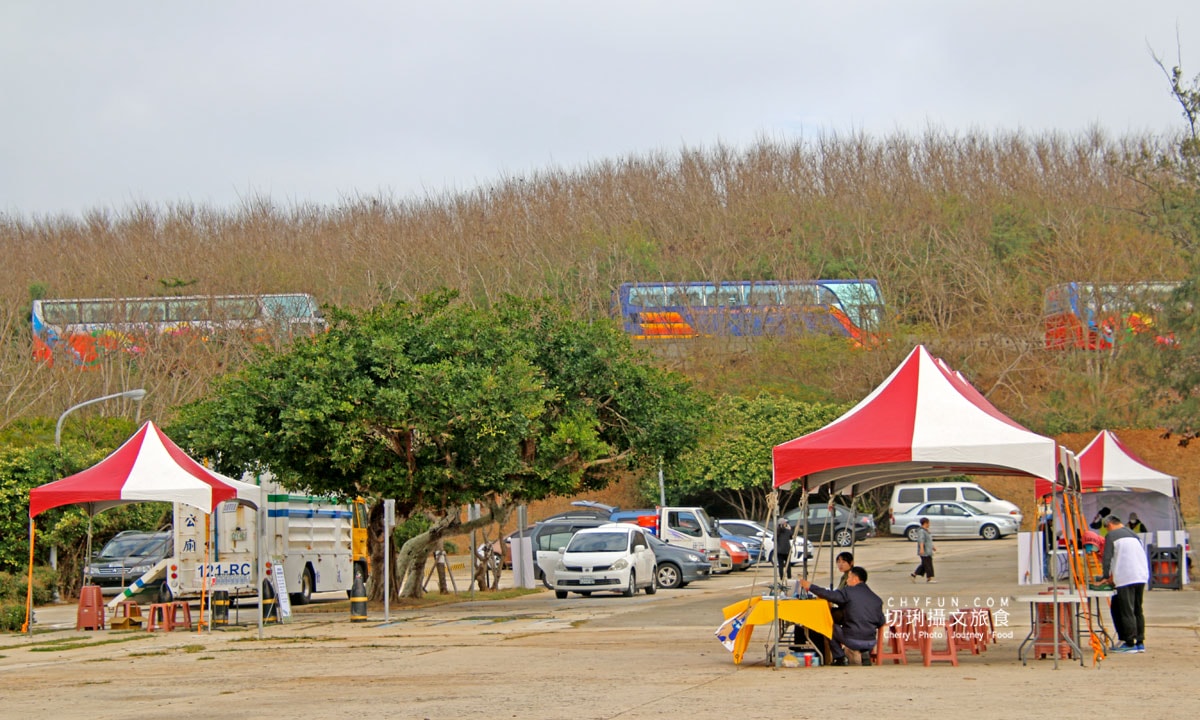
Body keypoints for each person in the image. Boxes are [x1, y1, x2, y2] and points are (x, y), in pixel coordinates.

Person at [799, 567, 887, 666]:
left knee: (829, 626)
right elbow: (881, 622)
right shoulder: (876, 599)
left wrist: (811, 587)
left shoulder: (848, 592)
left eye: (848, 578)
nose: (847, 580)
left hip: (852, 640)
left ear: (855, 579)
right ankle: (865, 652)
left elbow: (830, 595)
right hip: (870, 642)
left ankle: (840, 657)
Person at [1102, 515, 1150, 653]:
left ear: (1109, 525)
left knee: (1126, 610)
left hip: (1125, 576)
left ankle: (1129, 643)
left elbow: (1107, 557)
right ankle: (1140, 642)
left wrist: (1106, 576)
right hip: (1140, 575)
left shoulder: (1112, 535)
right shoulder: (1134, 535)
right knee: (1137, 609)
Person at [910, 518, 936, 583]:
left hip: (928, 550)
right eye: (928, 523)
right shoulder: (921, 531)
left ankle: (914, 575)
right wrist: (921, 549)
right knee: (927, 564)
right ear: (925, 523)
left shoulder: (926, 531)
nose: (929, 524)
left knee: (925, 564)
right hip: (924, 551)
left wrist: (932, 547)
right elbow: (921, 540)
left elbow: (928, 541)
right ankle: (929, 578)